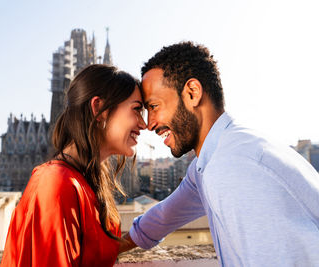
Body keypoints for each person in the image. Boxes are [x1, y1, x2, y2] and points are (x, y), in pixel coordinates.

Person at [120, 42, 319, 266]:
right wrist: (110, 247)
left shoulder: (232, 168)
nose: (149, 124)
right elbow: (165, 215)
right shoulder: (215, 159)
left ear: (192, 93)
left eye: (154, 106)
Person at [0, 64, 146, 267]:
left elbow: (93, 251)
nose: (143, 123)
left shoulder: (85, 179)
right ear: (99, 109)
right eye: (137, 109)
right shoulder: (57, 184)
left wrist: (150, 228)